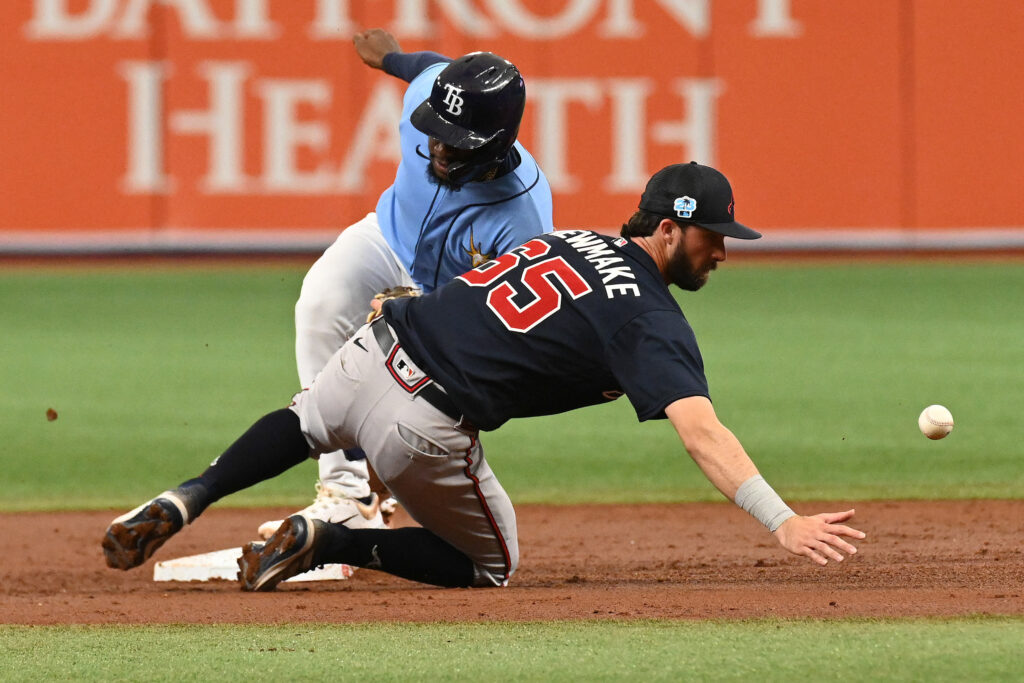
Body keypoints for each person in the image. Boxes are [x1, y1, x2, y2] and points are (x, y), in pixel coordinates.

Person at [103, 162, 866, 590]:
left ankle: (189, 493)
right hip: (422, 421)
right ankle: (329, 542)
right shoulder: (647, 315)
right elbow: (701, 431)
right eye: (711, 237)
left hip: (375, 346)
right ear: (666, 229)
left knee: (304, 419)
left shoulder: (569, 237)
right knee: (491, 565)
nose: (722, 252)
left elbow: (484, 285)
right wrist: (782, 519)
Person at [266, 28, 554, 537]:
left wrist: (420, 310)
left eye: (456, 141)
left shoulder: (522, 217)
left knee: (408, 393)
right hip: (389, 235)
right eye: (435, 130)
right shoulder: (427, 92)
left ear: (498, 142)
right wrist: (390, 56)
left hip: (456, 297)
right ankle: (346, 494)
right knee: (321, 302)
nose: (438, 145)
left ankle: (403, 491)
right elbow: (427, 65)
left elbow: (501, 326)